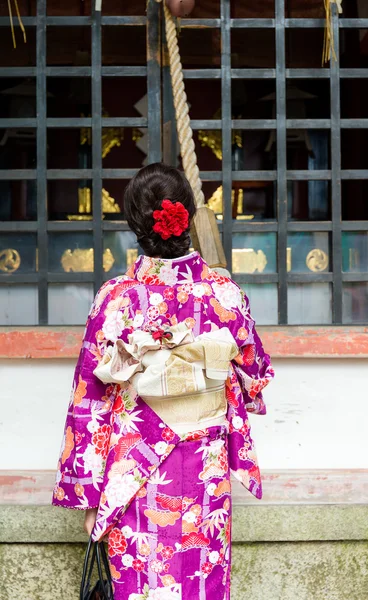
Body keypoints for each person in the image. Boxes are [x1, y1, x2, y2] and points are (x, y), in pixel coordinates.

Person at [52, 163, 274, 600]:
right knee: (201, 582)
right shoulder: (226, 294)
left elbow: (89, 402)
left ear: (134, 223)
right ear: (189, 215)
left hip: (133, 470)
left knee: (140, 586)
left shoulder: (115, 298)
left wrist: (90, 496)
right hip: (204, 468)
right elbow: (256, 375)